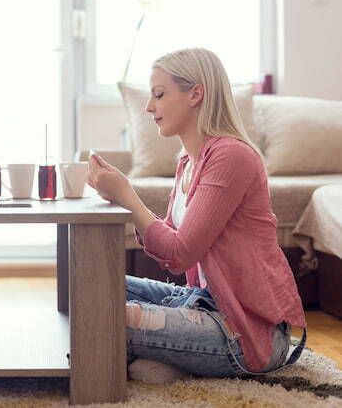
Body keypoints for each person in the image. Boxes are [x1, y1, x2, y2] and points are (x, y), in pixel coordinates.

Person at [87, 48, 306, 383]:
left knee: (102, 313)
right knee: (92, 286)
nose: (149, 106)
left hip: (243, 330)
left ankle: (168, 354)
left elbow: (180, 251)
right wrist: (118, 197)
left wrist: (129, 197)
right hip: (198, 303)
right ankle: (174, 356)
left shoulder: (232, 157)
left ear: (196, 94)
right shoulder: (188, 161)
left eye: (159, 94)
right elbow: (170, 251)